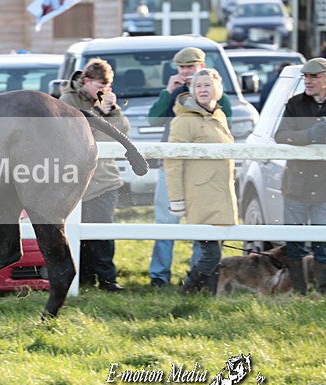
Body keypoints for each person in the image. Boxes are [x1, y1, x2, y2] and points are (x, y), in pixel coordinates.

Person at [146, 47, 231, 287]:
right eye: (182, 68)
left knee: (201, 222)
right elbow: (154, 119)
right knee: (165, 222)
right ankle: (159, 276)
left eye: (191, 67)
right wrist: (168, 92)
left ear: (201, 66)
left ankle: (198, 275)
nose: (186, 72)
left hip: (202, 170)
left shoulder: (216, 93)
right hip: (171, 164)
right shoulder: (174, 92)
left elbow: (226, 125)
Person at [164, 68, 237, 295]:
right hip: (201, 195)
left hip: (222, 193)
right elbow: (173, 161)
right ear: (192, 90)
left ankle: (209, 298)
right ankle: (187, 293)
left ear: (217, 88)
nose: (203, 90)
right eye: (198, 86)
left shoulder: (219, 115)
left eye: (207, 85)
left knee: (217, 252)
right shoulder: (184, 121)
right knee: (210, 254)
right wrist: (176, 198)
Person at [60, 59, 129, 291]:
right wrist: (99, 114)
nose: (104, 92)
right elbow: (73, 135)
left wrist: (114, 111)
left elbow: (122, 134)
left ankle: (108, 279)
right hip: (76, 181)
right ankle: (84, 278)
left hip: (105, 178)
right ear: (86, 81)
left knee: (103, 232)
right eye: (100, 87)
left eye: (107, 88)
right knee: (77, 233)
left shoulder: (105, 102)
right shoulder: (68, 100)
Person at [274, 57, 326, 295]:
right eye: (306, 77)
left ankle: (323, 292)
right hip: (296, 184)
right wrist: (309, 135)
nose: (308, 81)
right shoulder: (295, 103)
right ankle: (299, 293)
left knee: (324, 242)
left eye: (314, 76)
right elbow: (281, 135)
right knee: (294, 242)